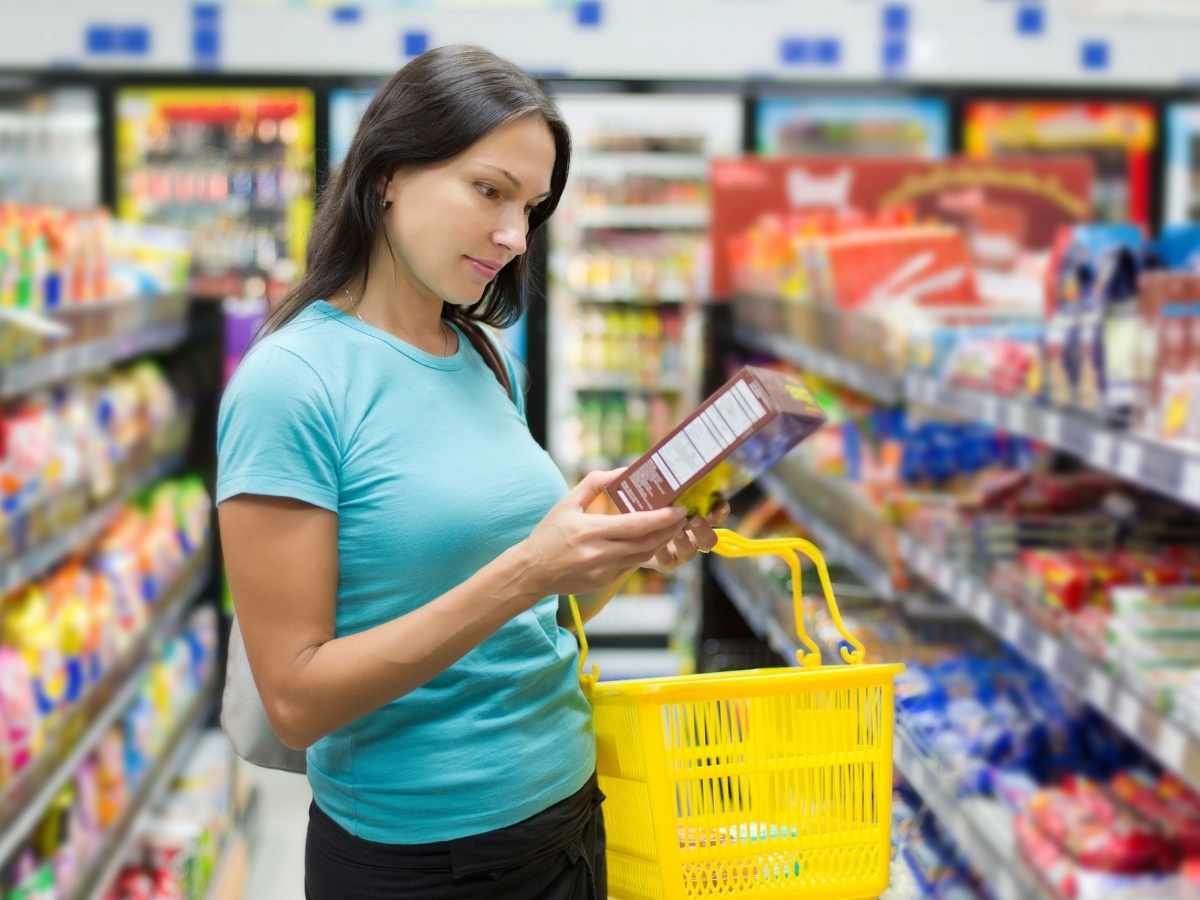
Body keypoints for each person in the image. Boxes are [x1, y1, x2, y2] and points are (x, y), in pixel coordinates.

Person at [216, 44, 727, 900]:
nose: (514, 236)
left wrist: (615, 552)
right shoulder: (292, 383)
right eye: (489, 191)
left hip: (569, 817)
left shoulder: (483, 358)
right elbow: (297, 700)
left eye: (531, 207)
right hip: (422, 860)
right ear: (388, 174)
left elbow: (534, 617)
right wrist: (529, 567)